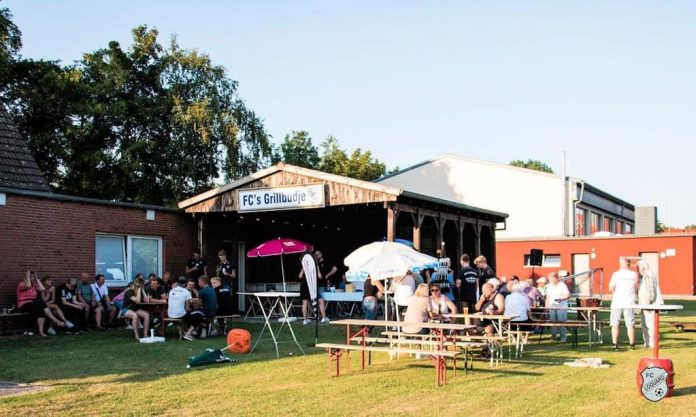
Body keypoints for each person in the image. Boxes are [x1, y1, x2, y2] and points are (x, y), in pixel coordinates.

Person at [17, 271, 66, 337]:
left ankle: (41, 332)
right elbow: (28, 285)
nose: (32, 278)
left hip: (34, 303)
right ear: (26, 277)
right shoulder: (21, 284)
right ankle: (55, 320)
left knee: (41, 312)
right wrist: (28, 276)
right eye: (31, 277)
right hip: (24, 304)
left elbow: (42, 289)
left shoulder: (34, 285)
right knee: (41, 303)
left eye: (33, 277)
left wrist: (37, 279)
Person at [609, 257, 638, 351]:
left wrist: (616, 294)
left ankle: (615, 345)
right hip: (629, 302)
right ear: (628, 264)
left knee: (615, 324)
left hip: (617, 302)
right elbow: (636, 288)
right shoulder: (634, 275)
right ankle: (632, 345)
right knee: (630, 324)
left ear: (620, 264)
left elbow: (611, 288)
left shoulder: (616, 274)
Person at [636, 259, 663, 348]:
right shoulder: (643, 277)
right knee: (645, 325)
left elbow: (651, 292)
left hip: (650, 306)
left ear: (643, 267)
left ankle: (653, 343)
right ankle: (647, 342)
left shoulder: (648, 276)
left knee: (651, 325)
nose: (638, 270)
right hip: (644, 305)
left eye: (638, 268)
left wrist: (648, 303)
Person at [475, 282, 505, 358]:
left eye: (485, 289)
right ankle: (484, 347)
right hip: (483, 321)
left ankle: (489, 352)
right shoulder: (483, 298)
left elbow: (501, 309)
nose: (483, 292)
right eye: (482, 290)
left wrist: (494, 312)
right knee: (471, 329)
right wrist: (481, 300)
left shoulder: (498, 296)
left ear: (492, 289)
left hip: (495, 322)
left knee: (488, 329)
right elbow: (476, 308)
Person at [299, 252, 329, 324]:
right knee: (321, 301)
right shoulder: (315, 265)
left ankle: (305, 320)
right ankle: (324, 318)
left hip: (304, 285)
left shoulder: (305, 265)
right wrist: (317, 268)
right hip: (312, 285)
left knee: (305, 303)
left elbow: (300, 276)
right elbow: (320, 276)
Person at [122, 277, 151, 341]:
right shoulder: (129, 292)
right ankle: (136, 336)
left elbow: (146, 300)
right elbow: (137, 301)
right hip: (126, 309)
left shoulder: (139, 291)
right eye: (140, 285)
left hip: (135, 309)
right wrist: (139, 290)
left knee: (146, 315)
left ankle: (145, 334)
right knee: (135, 315)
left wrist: (142, 290)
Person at [546, 272, 570, 342]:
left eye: (551, 279)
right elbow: (548, 297)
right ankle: (554, 336)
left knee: (562, 322)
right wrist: (546, 306)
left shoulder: (562, 285)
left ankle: (563, 337)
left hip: (561, 307)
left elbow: (568, 295)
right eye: (549, 279)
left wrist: (561, 299)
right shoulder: (549, 286)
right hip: (552, 306)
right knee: (553, 322)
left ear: (555, 278)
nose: (549, 280)